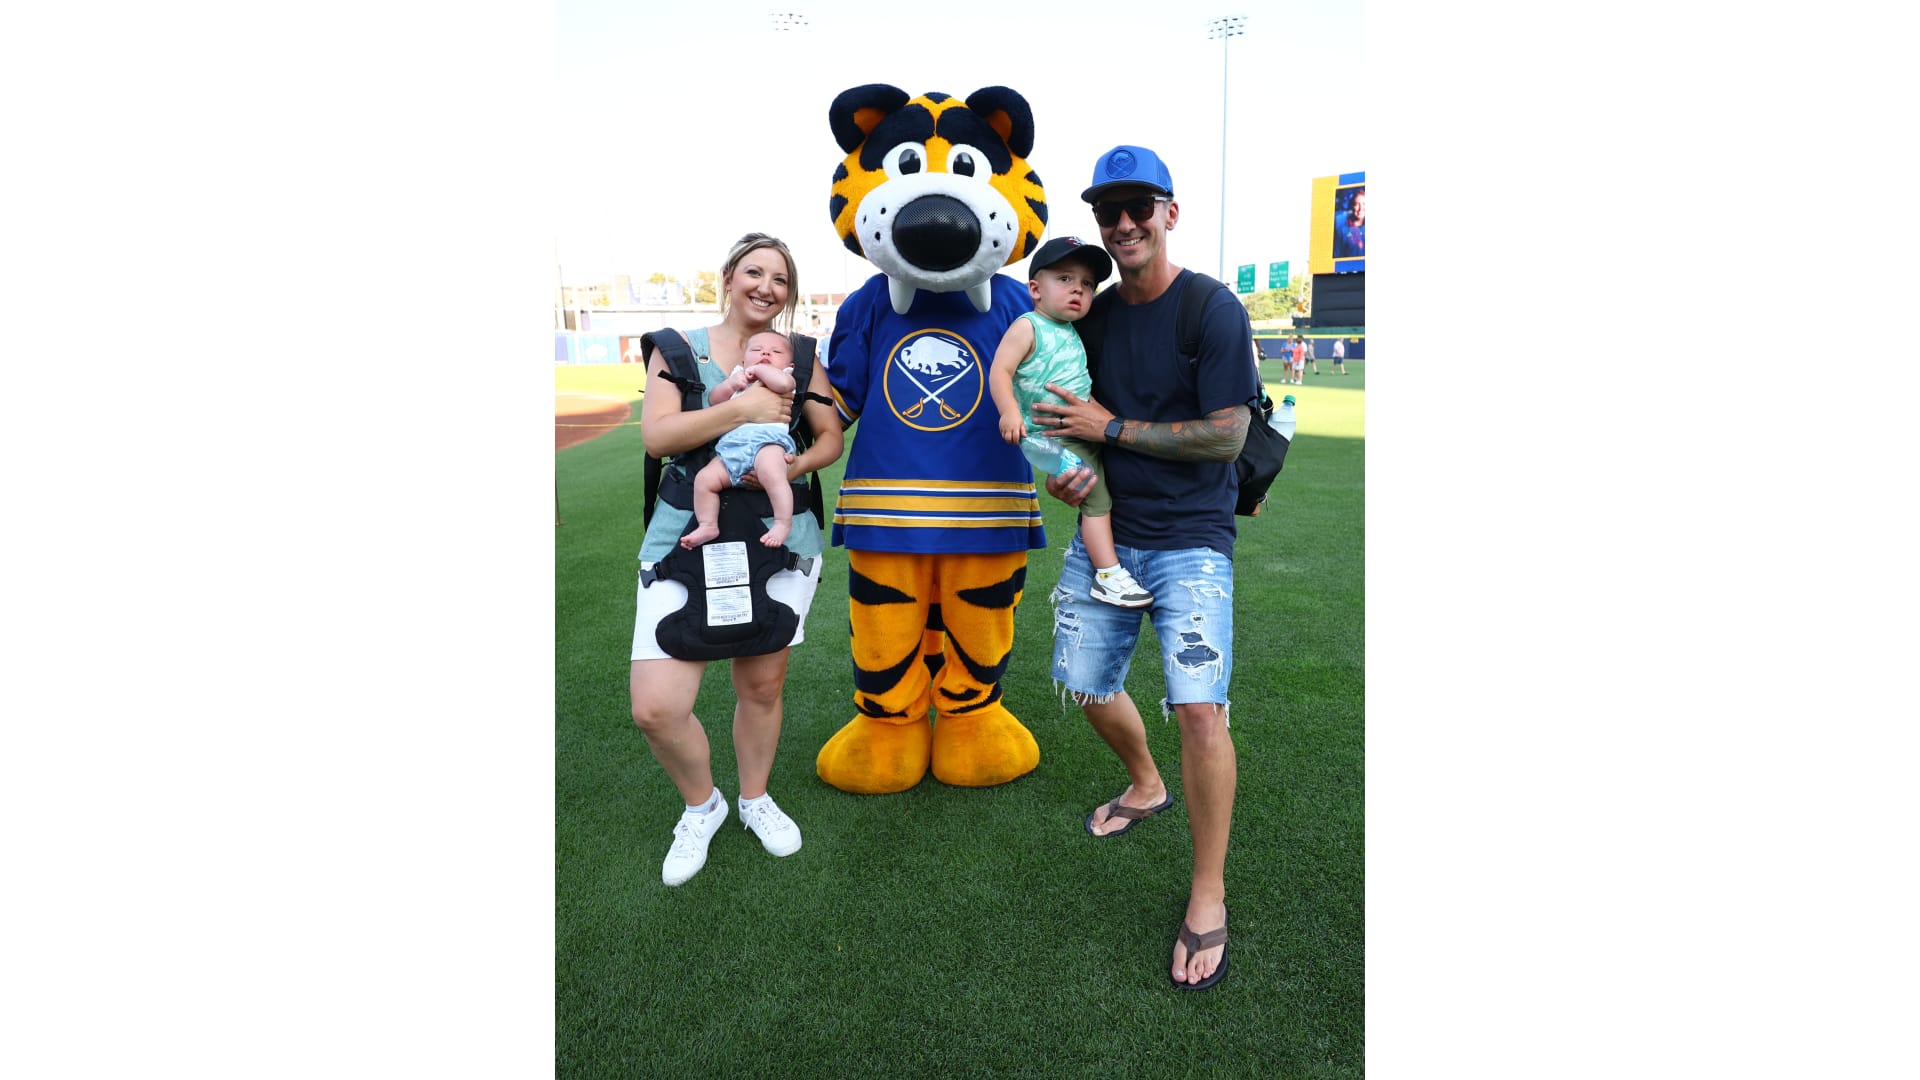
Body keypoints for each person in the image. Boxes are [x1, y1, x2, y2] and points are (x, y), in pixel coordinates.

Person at [1032, 144, 1259, 991]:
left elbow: (1228, 435)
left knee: (1200, 710)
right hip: (1108, 530)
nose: (1123, 223)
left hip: (1193, 538)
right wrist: (1066, 472)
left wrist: (1112, 430)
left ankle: (1208, 890)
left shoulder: (1210, 307)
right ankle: (1145, 784)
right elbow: (1066, 417)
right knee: (1085, 683)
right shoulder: (1089, 317)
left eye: (1138, 207)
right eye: (1108, 211)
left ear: (1169, 212)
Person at [630, 232, 844, 887]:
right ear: (728, 277)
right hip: (685, 535)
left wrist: (790, 467)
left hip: (776, 536)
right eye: (754, 272)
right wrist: (743, 409)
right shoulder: (677, 348)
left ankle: (754, 798)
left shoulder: (799, 354)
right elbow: (658, 436)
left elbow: (830, 436)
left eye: (780, 279)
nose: (766, 287)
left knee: (762, 687)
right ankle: (704, 805)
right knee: (656, 708)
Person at [988, 236, 1151, 608]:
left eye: (1088, 284)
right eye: (1065, 279)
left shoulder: (1069, 331)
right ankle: (1108, 574)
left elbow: (1079, 387)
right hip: (1054, 436)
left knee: (1111, 480)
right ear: (1035, 289)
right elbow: (1000, 370)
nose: (1078, 288)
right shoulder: (1028, 327)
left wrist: (1107, 421)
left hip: (1079, 428)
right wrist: (1009, 412)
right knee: (1096, 497)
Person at [680, 331, 800, 550]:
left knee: (772, 473)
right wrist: (730, 385)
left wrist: (760, 369)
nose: (765, 353)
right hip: (731, 448)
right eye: (757, 350)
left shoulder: (785, 376)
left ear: (789, 365)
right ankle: (708, 525)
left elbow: (783, 385)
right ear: (743, 361)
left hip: (768, 443)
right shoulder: (738, 376)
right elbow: (715, 400)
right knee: (705, 479)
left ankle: (782, 522)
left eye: (776, 352)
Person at [1333, 188, 1365, 258]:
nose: (1361, 208)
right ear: (1352, 206)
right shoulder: (1342, 231)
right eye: (1357, 204)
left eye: (1364, 204)